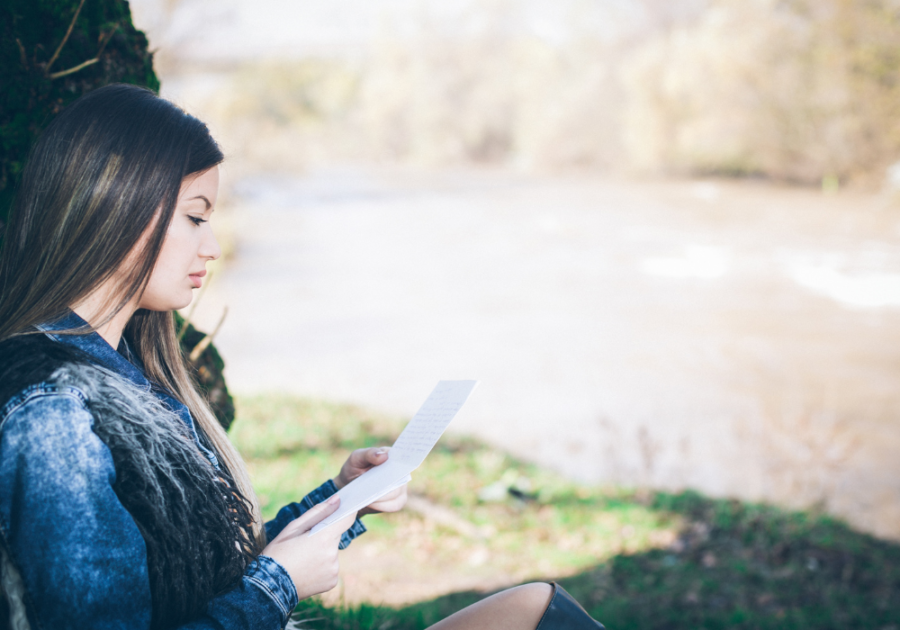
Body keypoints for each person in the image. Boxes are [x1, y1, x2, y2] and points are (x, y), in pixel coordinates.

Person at [0, 84, 604, 630]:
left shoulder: (126, 371)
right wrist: (280, 584)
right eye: (194, 217)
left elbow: (200, 578)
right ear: (116, 204)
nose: (211, 247)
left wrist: (339, 497)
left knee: (536, 606)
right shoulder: (55, 414)